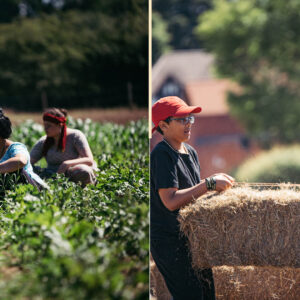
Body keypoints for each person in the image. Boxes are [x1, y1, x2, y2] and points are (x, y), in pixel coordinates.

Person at [150, 96, 234, 300]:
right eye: (181, 119)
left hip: (193, 240)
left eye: (190, 118)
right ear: (163, 125)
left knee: (207, 294)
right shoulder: (162, 154)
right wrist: (208, 184)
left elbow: (193, 196)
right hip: (169, 241)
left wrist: (214, 190)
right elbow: (170, 201)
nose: (188, 123)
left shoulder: (191, 152)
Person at [30, 108, 97, 186]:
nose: (45, 128)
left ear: (60, 125)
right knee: (27, 170)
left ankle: (83, 188)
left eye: (49, 125)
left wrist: (66, 164)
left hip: (73, 172)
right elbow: (29, 162)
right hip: (52, 175)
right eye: (45, 125)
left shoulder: (75, 136)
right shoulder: (44, 141)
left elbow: (89, 160)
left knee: (83, 171)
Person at [0, 108, 47, 192]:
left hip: (32, 190)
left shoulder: (16, 147)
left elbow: (20, 161)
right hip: (7, 193)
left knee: (15, 171)